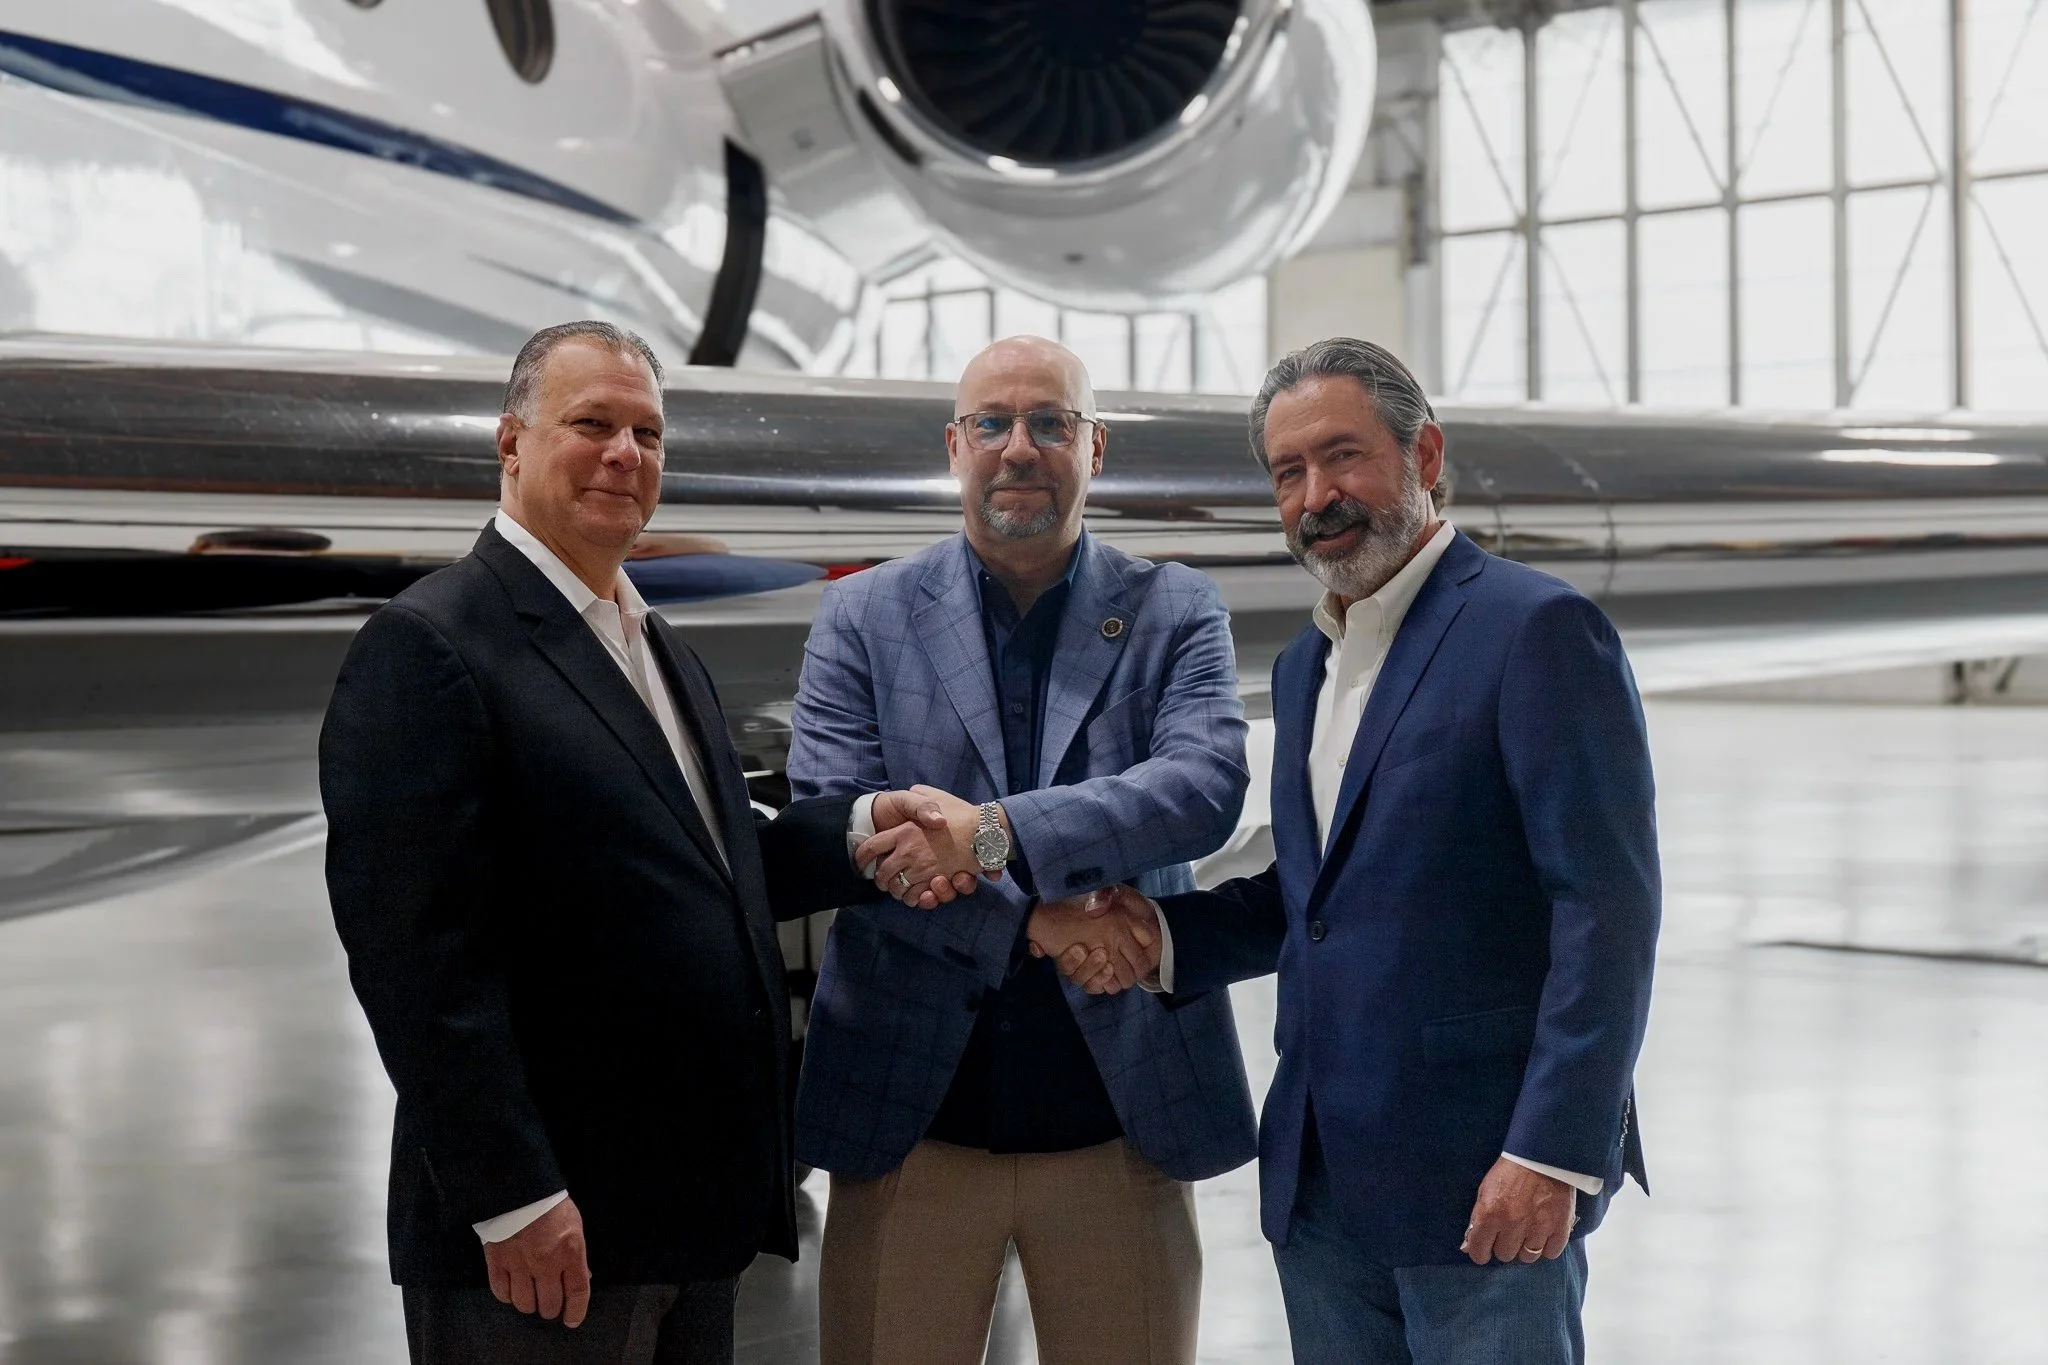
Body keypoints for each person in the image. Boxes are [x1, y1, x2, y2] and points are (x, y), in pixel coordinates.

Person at [320, 320, 974, 1365]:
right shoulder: (432, 647)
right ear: (510, 444)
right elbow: (413, 962)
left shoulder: (649, 641)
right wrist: (510, 1198)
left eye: (648, 433)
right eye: (592, 424)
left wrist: (857, 830)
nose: (625, 453)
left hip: (681, 1217)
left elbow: (704, 864)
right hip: (547, 1237)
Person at [1041, 337, 1659, 1364]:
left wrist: (1550, 1154)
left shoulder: (1535, 630)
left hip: (1484, 1183)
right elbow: (1313, 895)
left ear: (1422, 458)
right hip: (1321, 1183)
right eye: (1289, 472)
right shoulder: (1302, 667)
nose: (1317, 494)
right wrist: (1156, 934)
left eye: (1343, 456)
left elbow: (1604, 912)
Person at [785, 335, 1257, 1365]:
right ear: (954, 445)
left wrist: (993, 834)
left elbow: (1200, 790)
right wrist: (1038, 918)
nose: (1019, 449)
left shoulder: (1175, 611)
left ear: (1096, 446)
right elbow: (839, 824)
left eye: (1050, 423)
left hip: (1119, 1122)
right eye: (992, 424)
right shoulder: (860, 617)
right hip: (910, 1121)